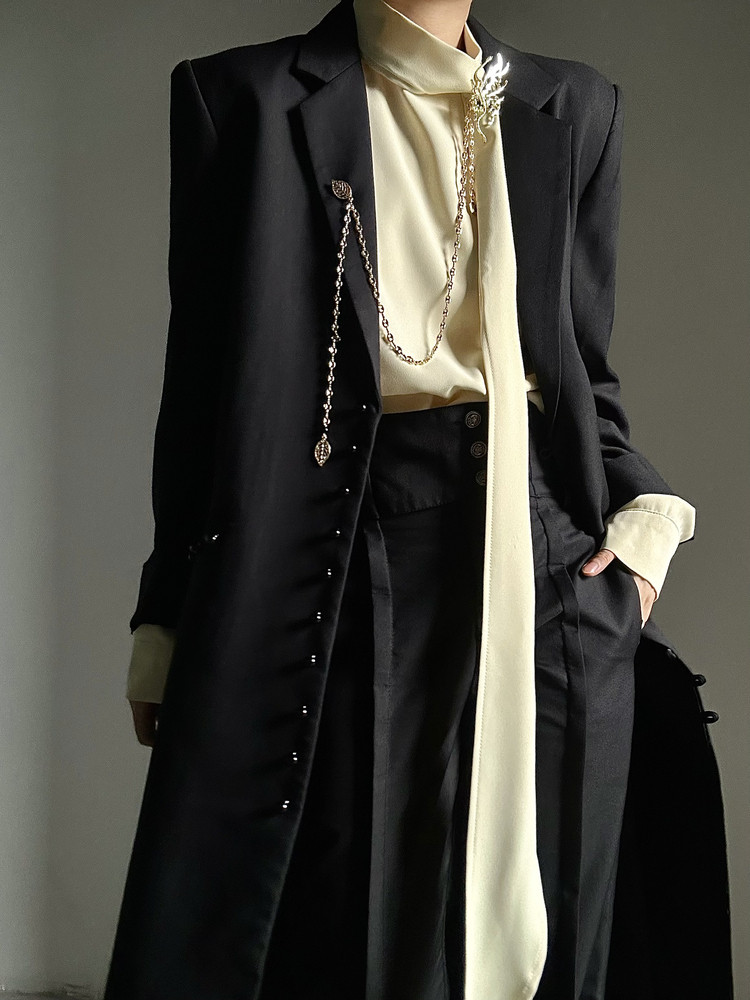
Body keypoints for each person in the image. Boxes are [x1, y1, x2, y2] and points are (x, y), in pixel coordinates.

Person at [105, 1, 732, 998]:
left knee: (555, 922)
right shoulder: (241, 99)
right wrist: (166, 613)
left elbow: (582, 375)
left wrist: (648, 524)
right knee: (360, 928)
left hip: (548, 554)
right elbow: (202, 392)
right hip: (349, 539)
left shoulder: (573, 106)